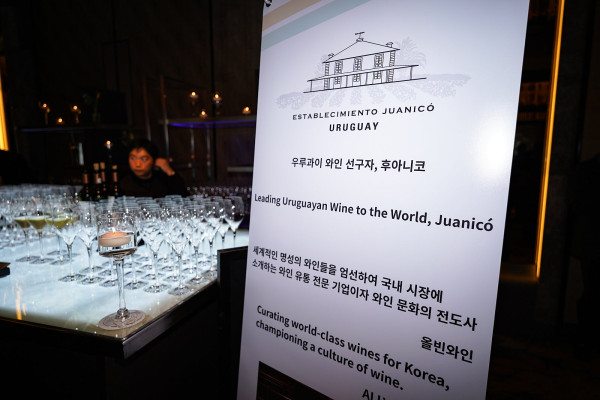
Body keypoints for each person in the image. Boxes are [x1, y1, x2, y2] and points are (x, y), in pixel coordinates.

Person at [119, 138, 188, 198]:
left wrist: (169, 171)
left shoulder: (162, 180)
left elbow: (184, 197)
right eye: (133, 158)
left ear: (154, 160)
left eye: (144, 159)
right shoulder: (122, 183)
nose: (137, 164)